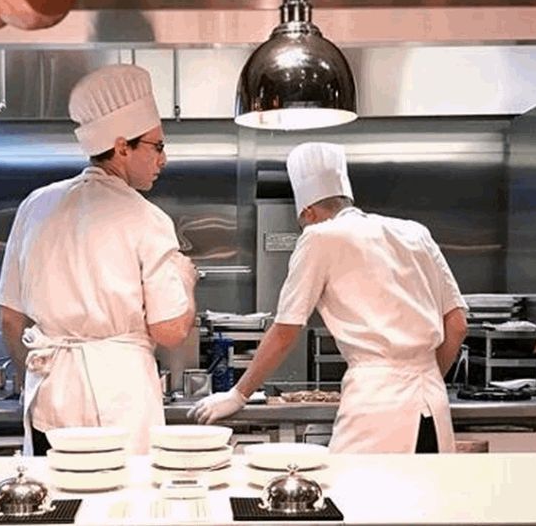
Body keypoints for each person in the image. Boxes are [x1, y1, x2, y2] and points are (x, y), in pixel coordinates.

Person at [191, 142, 469, 453]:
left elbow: (285, 331)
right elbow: (457, 325)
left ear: (308, 211)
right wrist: (424, 378)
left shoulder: (320, 236)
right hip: (432, 403)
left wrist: (238, 394)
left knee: (351, 485)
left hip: (376, 405)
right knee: (426, 486)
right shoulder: (416, 233)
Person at [0, 64, 198, 456]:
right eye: (157, 147)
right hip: (121, 400)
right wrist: (186, 281)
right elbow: (171, 330)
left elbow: (9, 320)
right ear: (122, 147)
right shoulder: (147, 218)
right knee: (121, 495)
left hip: (50, 400)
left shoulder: (36, 205)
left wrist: (32, 377)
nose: (164, 159)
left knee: (57, 494)